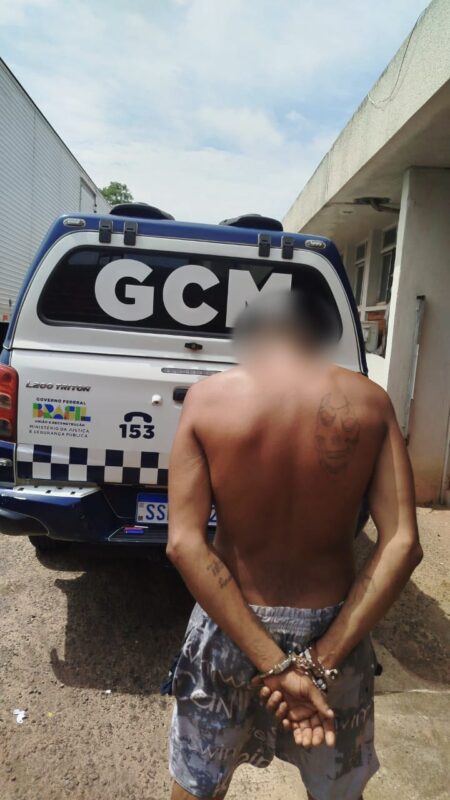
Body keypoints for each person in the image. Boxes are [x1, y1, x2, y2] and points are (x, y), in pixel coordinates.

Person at [165, 290, 423, 800]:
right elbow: (403, 543)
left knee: (198, 783)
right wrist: (319, 660)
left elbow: (183, 544)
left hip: (232, 625)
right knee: (336, 791)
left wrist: (272, 662)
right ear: (323, 333)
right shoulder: (371, 403)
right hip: (334, 633)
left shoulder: (206, 399)